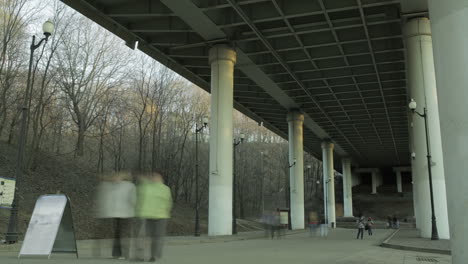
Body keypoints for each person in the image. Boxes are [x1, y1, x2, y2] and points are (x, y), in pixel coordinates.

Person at [94, 171, 136, 259]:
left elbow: (133, 200)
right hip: (115, 214)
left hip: (127, 214)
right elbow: (106, 200)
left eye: (118, 176)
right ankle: (116, 254)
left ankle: (125, 254)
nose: (115, 178)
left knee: (124, 234)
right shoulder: (110, 186)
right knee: (117, 234)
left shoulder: (129, 186)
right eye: (115, 176)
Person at [135, 171, 173, 262]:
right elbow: (138, 196)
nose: (153, 177)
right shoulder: (146, 186)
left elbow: (169, 202)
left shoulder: (165, 189)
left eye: (156, 176)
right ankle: (140, 256)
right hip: (147, 216)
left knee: (157, 238)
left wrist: (166, 211)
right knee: (142, 236)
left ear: (161, 178)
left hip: (161, 217)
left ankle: (154, 256)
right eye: (152, 176)